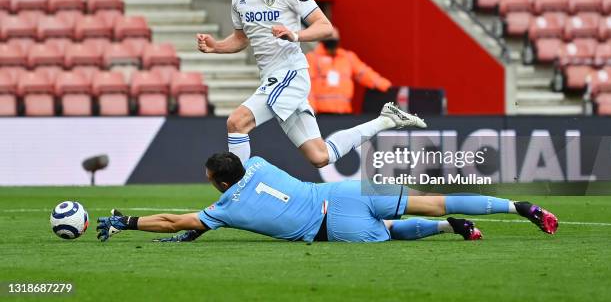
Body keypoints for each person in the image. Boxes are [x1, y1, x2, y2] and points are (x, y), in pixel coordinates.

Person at [195, 0, 426, 169]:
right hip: (272, 79)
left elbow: (324, 27)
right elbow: (241, 39)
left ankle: (237, 193)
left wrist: (295, 35)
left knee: (236, 123)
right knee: (320, 156)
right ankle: (386, 120)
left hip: (290, 74)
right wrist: (216, 47)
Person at [96, 153, 559, 243]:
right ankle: (519, 207)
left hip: (332, 227)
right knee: (437, 199)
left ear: (218, 182)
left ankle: (447, 229)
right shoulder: (257, 164)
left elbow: (177, 221)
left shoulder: (225, 208)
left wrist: (127, 222)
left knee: (394, 234)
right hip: (343, 190)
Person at [306, 27, 392, 114]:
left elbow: (364, 73)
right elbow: (308, 86)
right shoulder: (313, 58)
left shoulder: (348, 57)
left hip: (344, 112)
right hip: (321, 113)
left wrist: (385, 85)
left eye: (334, 40)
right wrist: (311, 110)